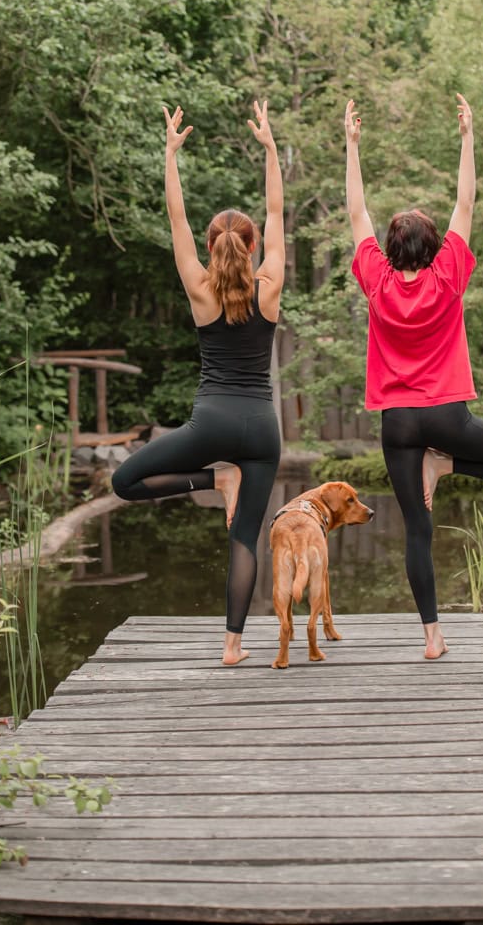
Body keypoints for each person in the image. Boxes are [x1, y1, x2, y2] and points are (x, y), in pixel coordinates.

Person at [344, 94, 483, 660]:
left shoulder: (377, 283)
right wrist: (467, 137)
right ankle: (449, 461)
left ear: (389, 250)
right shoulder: (448, 276)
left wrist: (352, 146)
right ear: (435, 248)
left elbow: (356, 213)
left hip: (396, 425)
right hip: (445, 416)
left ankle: (433, 637)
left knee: (417, 529)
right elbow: (466, 200)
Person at [112, 100, 284, 666]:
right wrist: (270, 149)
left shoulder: (200, 289)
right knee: (245, 540)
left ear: (212, 249)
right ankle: (233, 645)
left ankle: (212, 482)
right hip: (262, 429)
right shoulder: (270, 285)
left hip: (209, 424)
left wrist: (170, 155)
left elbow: (176, 218)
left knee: (125, 482)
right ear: (252, 246)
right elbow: (279, 213)